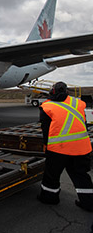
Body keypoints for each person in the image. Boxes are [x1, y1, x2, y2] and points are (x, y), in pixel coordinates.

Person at [37, 81, 93, 212]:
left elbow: (46, 129)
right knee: (81, 175)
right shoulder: (77, 103)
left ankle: (49, 198)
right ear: (67, 91)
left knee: (52, 175)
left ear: (52, 92)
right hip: (81, 147)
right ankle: (89, 203)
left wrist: (46, 146)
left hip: (59, 149)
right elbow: (82, 123)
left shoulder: (47, 106)